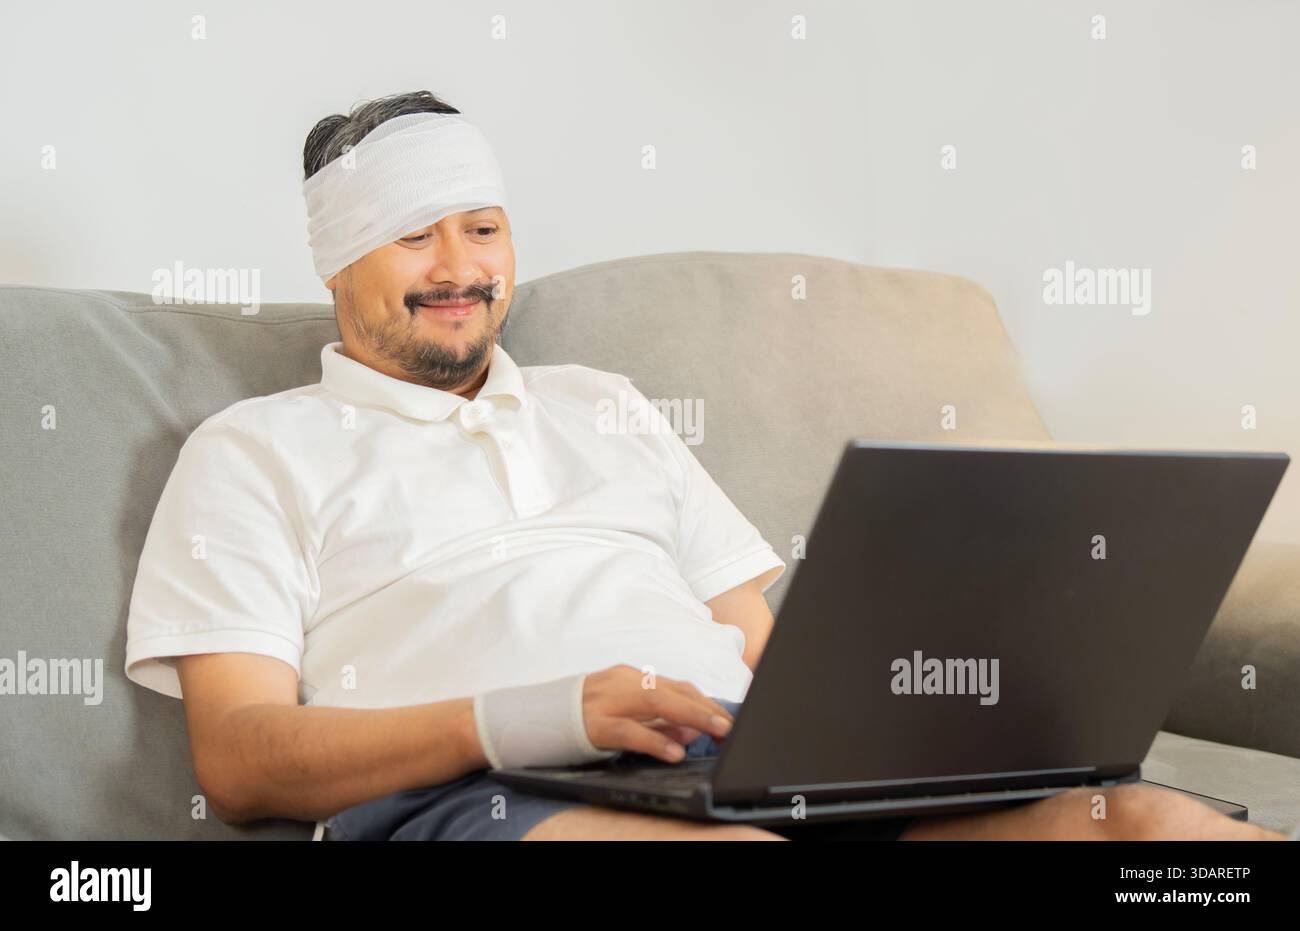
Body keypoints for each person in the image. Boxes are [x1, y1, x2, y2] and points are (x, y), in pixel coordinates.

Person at [124, 91, 1293, 842]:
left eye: (481, 227)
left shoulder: (603, 406)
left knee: (1148, 830)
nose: (459, 267)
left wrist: (929, 724)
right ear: (336, 262)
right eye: (413, 232)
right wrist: (536, 713)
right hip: (478, 794)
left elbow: (764, 654)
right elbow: (242, 763)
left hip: (728, 766)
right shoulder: (252, 452)